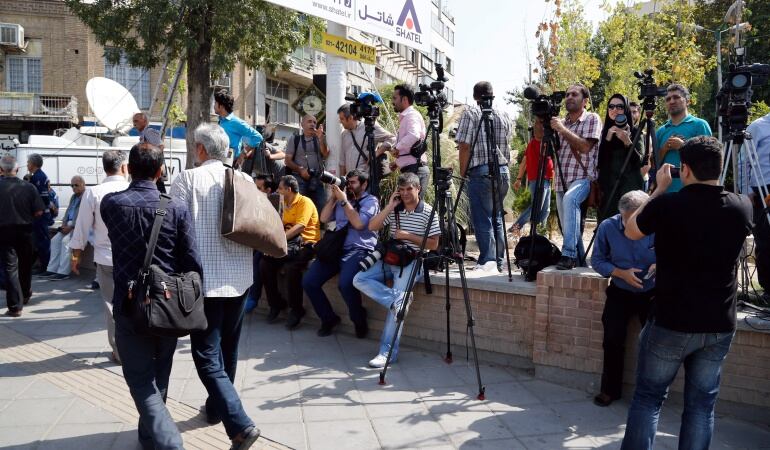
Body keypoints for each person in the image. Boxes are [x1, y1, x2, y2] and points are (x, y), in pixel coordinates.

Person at [621, 136, 753, 450]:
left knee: (648, 399)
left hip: (672, 321)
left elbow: (631, 229)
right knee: (701, 406)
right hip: (719, 324)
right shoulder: (742, 205)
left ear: (685, 169)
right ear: (720, 169)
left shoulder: (668, 205)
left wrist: (659, 188)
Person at [101, 144, 203, 449]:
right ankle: (151, 437)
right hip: (166, 302)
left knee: (140, 379)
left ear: (128, 169)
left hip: (128, 304)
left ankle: (168, 441)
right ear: (161, 172)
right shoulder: (176, 208)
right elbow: (192, 262)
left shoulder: (112, 203)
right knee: (159, 374)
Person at [170, 124, 261, 447]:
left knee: (206, 355)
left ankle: (239, 423)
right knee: (228, 350)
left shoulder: (186, 180)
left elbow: (174, 232)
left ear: (200, 150)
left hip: (203, 282)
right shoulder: (245, 179)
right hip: (239, 279)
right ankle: (216, 408)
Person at [353, 173, 440, 368]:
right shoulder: (396, 209)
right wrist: (390, 206)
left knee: (397, 309)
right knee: (359, 279)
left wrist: (407, 236)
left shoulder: (428, 212)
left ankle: (387, 353)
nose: (405, 193)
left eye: (409, 188)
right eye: (402, 189)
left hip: (411, 262)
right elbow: (372, 226)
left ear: (418, 189)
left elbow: (434, 244)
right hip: (390, 258)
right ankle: (396, 302)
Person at [590, 190, 655, 407]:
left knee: (654, 343)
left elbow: (677, 254)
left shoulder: (659, 225)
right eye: (629, 222)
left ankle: (648, 396)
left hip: (652, 292)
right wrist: (620, 272)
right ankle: (609, 390)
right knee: (612, 339)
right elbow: (597, 261)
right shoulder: (608, 227)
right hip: (620, 289)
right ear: (622, 214)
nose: (634, 228)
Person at [69, 150, 130, 365]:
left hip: (106, 259)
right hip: (134, 259)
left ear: (104, 168)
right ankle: (139, 349)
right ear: (124, 167)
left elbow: (82, 228)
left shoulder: (94, 193)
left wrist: (75, 255)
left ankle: (120, 352)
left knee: (113, 306)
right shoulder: (132, 188)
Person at [303, 169, 379, 338]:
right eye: (348, 182)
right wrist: (333, 197)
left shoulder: (371, 201)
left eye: (353, 182)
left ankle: (359, 319)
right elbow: (323, 219)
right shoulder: (342, 199)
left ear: (364, 184)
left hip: (359, 248)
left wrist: (344, 201)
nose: (349, 186)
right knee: (309, 281)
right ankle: (328, 318)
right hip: (336, 249)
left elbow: (359, 224)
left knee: (345, 284)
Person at [455, 81, 513, 271]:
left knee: (482, 218)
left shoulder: (471, 113)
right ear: (492, 94)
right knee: (496, 216)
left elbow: (464, 146)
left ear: (475, 97)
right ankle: (499, 259)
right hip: (503, 171)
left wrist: (462, 173)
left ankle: (487, 260)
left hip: (481, 171)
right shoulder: (504, 114)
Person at [549, 83, 602, 270]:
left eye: (574, 94)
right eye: (567, 94)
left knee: (571, 200)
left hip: (583, 178)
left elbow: (585, 147)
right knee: (570, 229)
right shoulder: (561, 121)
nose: (569, 97)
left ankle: (568, 255)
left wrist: (562, 130)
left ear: (585, 100)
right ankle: (579, 264)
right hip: (560, 181)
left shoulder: (592, 118)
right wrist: (543, 121)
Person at [260, 175, 321, 329]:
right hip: (289, 243)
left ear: (288, 189)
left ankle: (297, 309)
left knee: (291, 268)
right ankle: (276, 303)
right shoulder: (282, 203)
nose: (278, 191)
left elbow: (300, 226)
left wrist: (278, 241)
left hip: (306, 244)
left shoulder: (304, 202)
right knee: (264, 263)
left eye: (280, 188)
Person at [0, 154, 45, 317]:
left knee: (10, 267)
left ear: (1, 170)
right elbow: (39, 210)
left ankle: (15, 306)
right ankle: (25, 294)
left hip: (4, 232)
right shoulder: (29, 187)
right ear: (17, 169)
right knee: (26, 264)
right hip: (25, 230)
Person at [654, 83, 712, 193]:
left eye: (676, 97)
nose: (671, 101)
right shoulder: (661, 131)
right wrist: (665, 148)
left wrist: (683, 147)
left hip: (694, 192)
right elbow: (654, 164)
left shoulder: (699, 125)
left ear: (687, 101)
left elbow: (709, 159)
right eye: (668, 99)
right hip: (666, 193)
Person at [596, 94, 644, 222]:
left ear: (626, 109)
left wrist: (627, 141)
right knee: (607, 227)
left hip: (629, 190)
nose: (614, 110)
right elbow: (599, 163)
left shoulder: (635, 131)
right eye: (611, 106)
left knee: (628, 227)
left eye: (620, 106)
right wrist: (608, 138)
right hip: (608, 191)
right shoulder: (604, 132)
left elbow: (640, 161)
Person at [244, 174, 280, 314]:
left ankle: (253, 297)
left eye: (258, 188)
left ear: (268, 190)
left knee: (259, 260)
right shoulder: (254, 200)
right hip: (259, 241)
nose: (255, 190)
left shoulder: (276, 202)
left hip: (272, 242)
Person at [511, 117, 552, 234]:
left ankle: (540, 234)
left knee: (546, 210)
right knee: (536, 206)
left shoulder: (544, 142)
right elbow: (524, 162)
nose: (540, 126)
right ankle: (516, 227)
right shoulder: (535, 143)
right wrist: (518, 178)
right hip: (538, 180)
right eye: (538, 123)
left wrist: (519, 179)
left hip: (547, 180)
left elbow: (524, 162)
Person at [745, 112, 770, 301]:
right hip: (763, 188)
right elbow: (744, 160)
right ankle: (768, 288)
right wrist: (746, 191)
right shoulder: (758, 126)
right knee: (765, 238)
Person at [39, 176, 85, 280]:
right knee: (54, 241)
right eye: (71, 185)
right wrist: (64, 224)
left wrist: (71, 226)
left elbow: (83, 216)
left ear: (83, 184)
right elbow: (68, 211)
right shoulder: (73, 197)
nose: (73, 187)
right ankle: (52, 269)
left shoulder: (86, 196)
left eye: (76, 185)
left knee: (66, 242)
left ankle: (63, 272)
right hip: (68, 225)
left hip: (78, 226)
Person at [388, 84, 429, 197]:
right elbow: (410, 147)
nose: (392, 101)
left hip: (415, 169)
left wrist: (397, 147)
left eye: (395, 98)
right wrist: (397, 162)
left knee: (412, 211)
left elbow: (414, 135)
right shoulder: (408, 116)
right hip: (412, 169)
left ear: (404, 99)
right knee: (407, 211)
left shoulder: (411, 115)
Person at [285, 114, 329, 212]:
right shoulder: (295, 139)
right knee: (300, 209)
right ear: (302, 124)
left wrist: (321, 138)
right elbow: (287, 161)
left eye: (314, 122)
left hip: (317, 179)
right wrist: (300, 170)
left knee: (321, 209)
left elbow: (325, 154)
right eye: (309, 121)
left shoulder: (320, 138)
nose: (312, 124)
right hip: (299, 179)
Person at [337, 103, 396, 176]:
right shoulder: (344, 134)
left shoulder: (369, 127)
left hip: (367, 179)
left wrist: (376, 153)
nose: (340, 121)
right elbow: (342, 161)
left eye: (342, 119)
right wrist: (342, 182)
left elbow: (392, 138)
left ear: (350, 118)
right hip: (351, 181)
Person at [213, 89, 263, 160]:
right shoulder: (221, 121)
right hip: (220, 162)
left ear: (221, 106)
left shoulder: (236, 122)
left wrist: (243, 153)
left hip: (231, 165)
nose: (214, 105)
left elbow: (258, 137)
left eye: (215, 103)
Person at [27, 153, 52, 272]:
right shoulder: (34, 176)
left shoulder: (39, 177)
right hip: (37, 215)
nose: (27, 164)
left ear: (33, 164)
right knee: (37, 241)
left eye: (28, 162)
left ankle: (45, 267)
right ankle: (41, 264)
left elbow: (43, 197)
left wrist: (39, 210)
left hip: (40, 215)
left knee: (43, 241)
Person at [133, 112, 167, 193]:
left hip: (154, 170)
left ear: (144, 121)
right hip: (151, 171)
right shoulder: (144, 134)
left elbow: (161, 146)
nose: (134, 124)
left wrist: (151, 161)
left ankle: (164, 205)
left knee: (160, 193)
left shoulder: (149, 131)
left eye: (136, 121)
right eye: (133, 121)